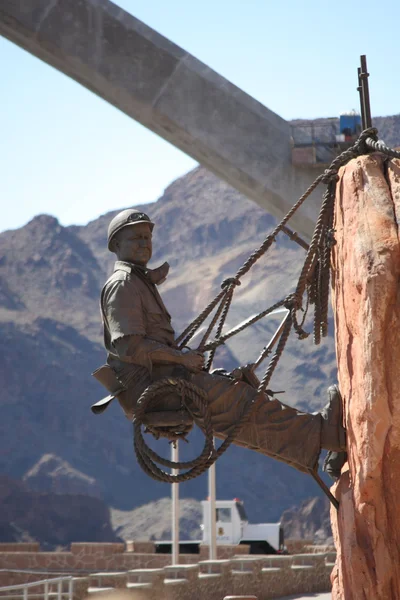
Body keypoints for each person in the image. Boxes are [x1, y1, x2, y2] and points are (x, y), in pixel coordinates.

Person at [92, 209, 346, 477]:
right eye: (136, 238)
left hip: (161, 382)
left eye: (147, 237)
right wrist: (182, 359)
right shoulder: (123, 284)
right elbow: (129, 347)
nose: (144, 243)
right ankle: (326, 436)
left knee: (238, 401)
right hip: (151, 388)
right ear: (116, 245)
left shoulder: (139, 281)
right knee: (238, 400)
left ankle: (319, 446)